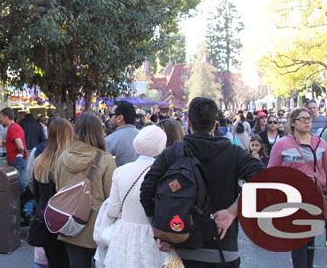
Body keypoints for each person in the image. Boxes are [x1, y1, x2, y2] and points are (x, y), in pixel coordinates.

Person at [140, 97, 264, 268]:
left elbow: (146, 192)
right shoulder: (234, 153)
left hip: (181, 246)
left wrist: (161, 231)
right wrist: (232, 211)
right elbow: (264, 181)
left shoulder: (172, 153)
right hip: (223, 248)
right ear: (215, 124)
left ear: (188, 122)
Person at [269, 107, 327, 265]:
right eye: (302, 119)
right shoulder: (282, 145)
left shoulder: (320, 143)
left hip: (315, 197)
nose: (307, 122)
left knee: (309, 241)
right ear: (292, 122)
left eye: (309, 119)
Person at [102, 125, 172, 268]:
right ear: (161, 147)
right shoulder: (166, 173)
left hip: (124, 236)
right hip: (154, 237)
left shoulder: (120, 171)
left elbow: (112, 210)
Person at [53, 113, 116, 268]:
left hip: (70, 225)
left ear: (75, 131)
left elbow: (58, 187)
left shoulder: (63, 157)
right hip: (99, 227)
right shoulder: (105, 159)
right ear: (99, 132)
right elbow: (112, 196)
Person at [32, 117, 75, 268]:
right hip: (68, 219)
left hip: (45, 216)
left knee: (50, 259)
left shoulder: (39, 160)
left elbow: (34, 187)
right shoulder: (71, 161)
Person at [0, 107, 28, 194]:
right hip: (17, 159)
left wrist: (19, 154)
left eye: (1, 117)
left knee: (19, 185)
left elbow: (20, 146)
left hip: (16, 159)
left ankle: (22, 204)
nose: (0, 119)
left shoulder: (12, 128)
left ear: (6, 117)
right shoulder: (15, 127)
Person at [105, 101, 140, 166]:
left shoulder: (109, 141)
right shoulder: (143, 136)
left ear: (120, 118)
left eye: (110, 115)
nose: (108, 118)